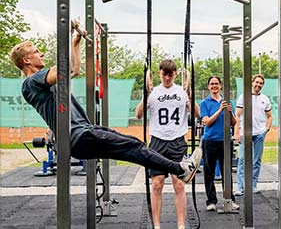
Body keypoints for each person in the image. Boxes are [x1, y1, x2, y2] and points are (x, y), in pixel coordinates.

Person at [9, 29, 201, 205]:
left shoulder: (41, 83)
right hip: (78, 135)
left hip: (83, 135)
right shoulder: (32, 82)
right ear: (26, 60)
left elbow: (74, 70)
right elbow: (64, 68)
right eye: (36, 51)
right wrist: (68, 33)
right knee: (134, 147)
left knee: (133, 145)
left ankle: (180, 169)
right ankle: (180, 169)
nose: (41, 53)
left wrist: (76, 42)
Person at [136, 59, 200, 229]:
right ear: (159, 73)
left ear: (175, 74)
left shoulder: (182, 91)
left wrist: (190, 92)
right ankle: (156, 225)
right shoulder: (153, 92)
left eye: (170, 74)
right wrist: (146, 94)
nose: (167, 78)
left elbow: (197, 113)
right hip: (157, 141)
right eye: (164, 74)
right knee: (157, 184)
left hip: (178, 140)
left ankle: (181, 225)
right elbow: (139, 114)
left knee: (179, 184)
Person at [199, 76, 239, 211]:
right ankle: (211, 201)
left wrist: (229, 112)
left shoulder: (228, 103)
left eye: (216, 84)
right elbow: (207, 122)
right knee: (209, 171)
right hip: (210, 141)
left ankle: (229, 199)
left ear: (220, 86)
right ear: (208, 87)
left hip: (225, 141)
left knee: (226, 171)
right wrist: (220, 110)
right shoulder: (204, 103)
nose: (214, 86)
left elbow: (234, 123)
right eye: (212, 84)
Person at [234, 74, 273, 196]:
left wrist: (266, 129)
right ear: (252, 82)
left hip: (259, 134)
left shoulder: (265, 99)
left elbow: (270, 116)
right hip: (245, 133)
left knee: (256, 161)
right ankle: (240, 187)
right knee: (242, 160)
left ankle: (253, 185)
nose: (258, 85)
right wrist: (237, 132)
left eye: (261, 83)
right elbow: (238, 116)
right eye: (257, 82)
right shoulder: (243, 97)